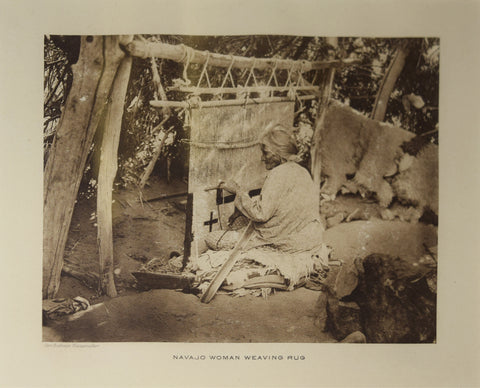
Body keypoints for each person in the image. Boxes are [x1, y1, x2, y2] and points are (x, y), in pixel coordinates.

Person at [219, 124, 324, 255]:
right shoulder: (303, 171)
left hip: (285, 242)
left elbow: (260, 214)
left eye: (266, 153)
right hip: (307, 236)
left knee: (214, 239)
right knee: (241, 221)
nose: (262, 158)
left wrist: (238, 191)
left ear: (279, 153)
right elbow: (282, 204)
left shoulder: (278, 173)